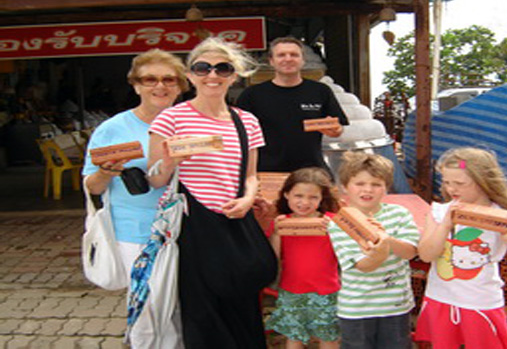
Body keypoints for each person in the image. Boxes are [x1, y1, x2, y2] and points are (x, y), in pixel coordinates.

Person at [146, 37, 277, 349]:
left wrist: (247, 199)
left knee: (243, 298)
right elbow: (154, 179)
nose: (212, 75)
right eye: (202, 68)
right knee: (202, 308)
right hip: (193, 223)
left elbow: (250, 175)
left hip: (234, 218)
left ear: (235, 75)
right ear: (190, 76)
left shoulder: (246, 121)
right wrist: (169, 162)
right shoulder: (171, 118)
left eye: (223, 68)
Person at [82, 48, 188, 347]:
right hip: (135, 232)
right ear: (136, 84)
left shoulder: (193, 123)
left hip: (189, 231)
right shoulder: (113, 129)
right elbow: (92, 186)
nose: (160, 86)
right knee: (149, 310)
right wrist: (106, 172)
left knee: (183, 308)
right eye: (150, 79)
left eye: (169, 79)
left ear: (181, 84)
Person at [414, 147, 507, 349]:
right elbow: (426, 254)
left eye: (460, 184)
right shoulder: (439, 212)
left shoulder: (505, 216)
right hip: (441, 298)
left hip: (480, 301)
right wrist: (445, 225)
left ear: (483, 182)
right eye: (447, 182)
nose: (451, 189)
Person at [327, 151, 419, 349]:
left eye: (376, 184)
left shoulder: (399, 214)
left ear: (386, 188)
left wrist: (386, 239)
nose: (367, 190)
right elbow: (363, 266)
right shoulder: (341, 223)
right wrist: (381, 248)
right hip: (357, 309)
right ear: (344, 187)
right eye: (359, 184)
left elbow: (410, 252)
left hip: (396, 306)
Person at [236, 36, 349, 174]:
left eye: (294, 55)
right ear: (271, 61)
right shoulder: (251, 95)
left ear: (303, 60)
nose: (288, 59)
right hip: (265, 172)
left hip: (311, 172)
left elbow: (338, 129)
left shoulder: (320, 91)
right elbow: (238, 134)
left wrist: (336, 130)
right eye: (281, 55)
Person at [266, 167, 341, 349]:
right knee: (294, 337)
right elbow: (273, 258)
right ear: (286, 194)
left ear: (322, 198)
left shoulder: (330, 222)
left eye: (313, 197)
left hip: (327, 292)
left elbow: (345, 254)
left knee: (329, 338)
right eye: (298, 196)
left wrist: (336, 230)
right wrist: (276, 233)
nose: (304, 203)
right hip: (292, 291)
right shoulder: (282, 223)